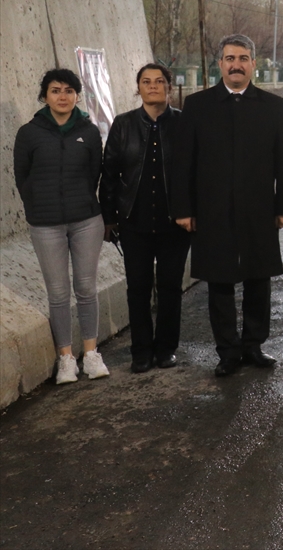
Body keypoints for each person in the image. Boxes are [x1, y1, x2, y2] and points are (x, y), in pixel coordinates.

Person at [172, 34, 283, 377]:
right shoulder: (198, 106)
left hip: (259, 209)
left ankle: (254, 344)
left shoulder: (273, 106)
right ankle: (227, 350)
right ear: (220, 64)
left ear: (254, 64)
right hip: (212, 210)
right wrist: (183, 209)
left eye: (243, 58)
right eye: (230, 58)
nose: (236, 64)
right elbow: (184, 162)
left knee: (258, 279)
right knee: (219, 281)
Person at [14, 68, 109, 384]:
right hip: (45, 225)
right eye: (56, 90)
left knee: (85, 287)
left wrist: (81, 199)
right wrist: (40, 205)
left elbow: (94, 172)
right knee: (57, 293)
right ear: (45, 96)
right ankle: (66, 358)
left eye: (69, 90)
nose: (63, 96)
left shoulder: (90, 132)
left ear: (77, 96)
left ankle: (91, 354)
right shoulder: (29, 133)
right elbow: (22, 177)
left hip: (86, 221)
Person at [100, 63, 191, 373]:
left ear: (168, 85)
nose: (153, 86)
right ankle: (141, 352)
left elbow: (196, 173)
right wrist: (109, 218)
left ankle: (166, 349)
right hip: (133, 223)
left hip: (174, 224)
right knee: (137, 288)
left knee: (169, 287)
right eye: (146, 81)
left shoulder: (184, 123)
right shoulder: (123, 125)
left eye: (159, 81)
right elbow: (109, 174)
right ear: (138, 87)